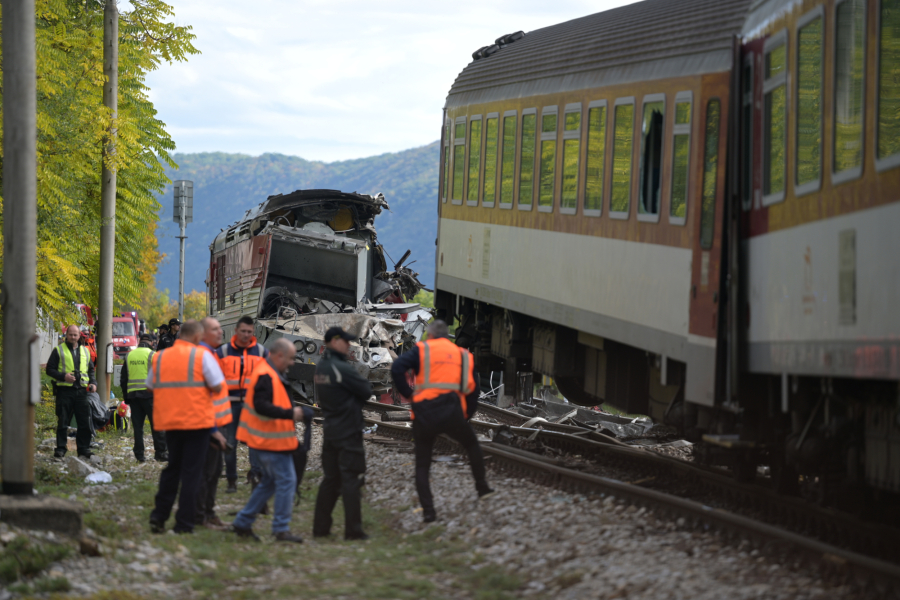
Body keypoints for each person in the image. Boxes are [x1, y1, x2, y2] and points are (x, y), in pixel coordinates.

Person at [390, 319, 494, 523]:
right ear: (448, 336)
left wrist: (408, 394)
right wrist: (466, 417)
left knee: (422, 463)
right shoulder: (463, 355)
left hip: (424, 413)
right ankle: (482, 488)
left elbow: (397, 368)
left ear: (430, 335)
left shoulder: (422, 349)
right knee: (472, 444)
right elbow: (474, 391)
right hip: (451, 411)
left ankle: (429, 512)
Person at [146, 320, 227, 534]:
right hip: (197, 422)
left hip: (171, 422)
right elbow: (218, 385)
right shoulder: (202, 356)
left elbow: (150, 385)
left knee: (172, 469)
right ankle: (184, 524)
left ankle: (159, 516)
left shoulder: (161, 357)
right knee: (192, 473)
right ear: (196, 336)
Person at [232, 338, 311, 543]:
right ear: (279, 356)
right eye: (291, 358)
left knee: (269, 483)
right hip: (270, 442)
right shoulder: (266, 375)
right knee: (287, 481)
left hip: (266, 440)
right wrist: (291, 414)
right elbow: (261, 406)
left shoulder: (268, 372)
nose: (293, 363)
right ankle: (281, 530)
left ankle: (242, 522)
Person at [312, 327, 372, 541]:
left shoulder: (321, 367)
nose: (348, 345)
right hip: (348, 432)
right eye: (345, 341)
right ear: (334, 341)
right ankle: (353, 530)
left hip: (331, 430)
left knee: (331, 479)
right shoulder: (340, 368)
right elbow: (366, 390)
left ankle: (320, 528)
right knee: (351, 480)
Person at [216, 315, 269, 493]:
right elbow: (213, 378)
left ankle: (255, 476)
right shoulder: (223, 352)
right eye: (243, 331)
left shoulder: (261, 352)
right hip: (229, 405)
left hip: (252, 406)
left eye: (249, 332)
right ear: (236, 331)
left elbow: (269, 378)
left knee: (254, 442)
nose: (246, 335)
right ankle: (232, 481)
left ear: (253, 332)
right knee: (230, 444)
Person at [195, 317, 234, 529]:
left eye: (220, 328)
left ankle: (208, 514)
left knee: (214, 471)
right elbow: (202, 397)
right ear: (202, 333)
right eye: (215, 329)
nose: (220, 332)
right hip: (209, 426)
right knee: (207, 473)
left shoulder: (211, 354)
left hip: (217, 424)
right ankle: (201, 516)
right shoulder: (203, 356)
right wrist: (212, 430)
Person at [46, 325, 98, 459]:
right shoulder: (58, 350)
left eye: (75, 335)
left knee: (84, 421)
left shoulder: (85, 351)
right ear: (66, 335)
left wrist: (93, 383)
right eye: (71, 335)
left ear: (79, 336)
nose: (73, 337)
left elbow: (91, 370)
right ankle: (61, 449)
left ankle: (83, 449)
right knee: (63, 421)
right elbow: (49, 369)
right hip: (64, 391)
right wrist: (64, 377)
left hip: (81, 391)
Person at [122, 334, 168, 463]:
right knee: (157, 425)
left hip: (134, 396)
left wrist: (126, 398)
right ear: (151, 343)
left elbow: (124, 378)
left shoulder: (129, 355)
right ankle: (160, 453)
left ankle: (139, 455)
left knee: (138, 427)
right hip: (151, 396)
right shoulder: (153, 354)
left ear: (139, 342)